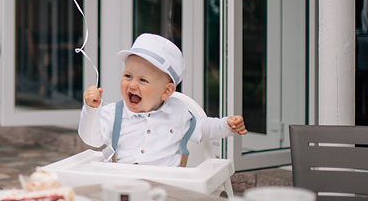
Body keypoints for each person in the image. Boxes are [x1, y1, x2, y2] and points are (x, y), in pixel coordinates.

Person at [78, 33, 247, 167]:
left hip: (166, 185)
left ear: (166, 91)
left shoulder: (178, 113)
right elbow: (91, 139)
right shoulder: (114, 113)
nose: (132, 84)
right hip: (124, 183)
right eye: (128, 75)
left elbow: (203, 128)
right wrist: (92, 110)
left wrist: (227, 125)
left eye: (143, 80)